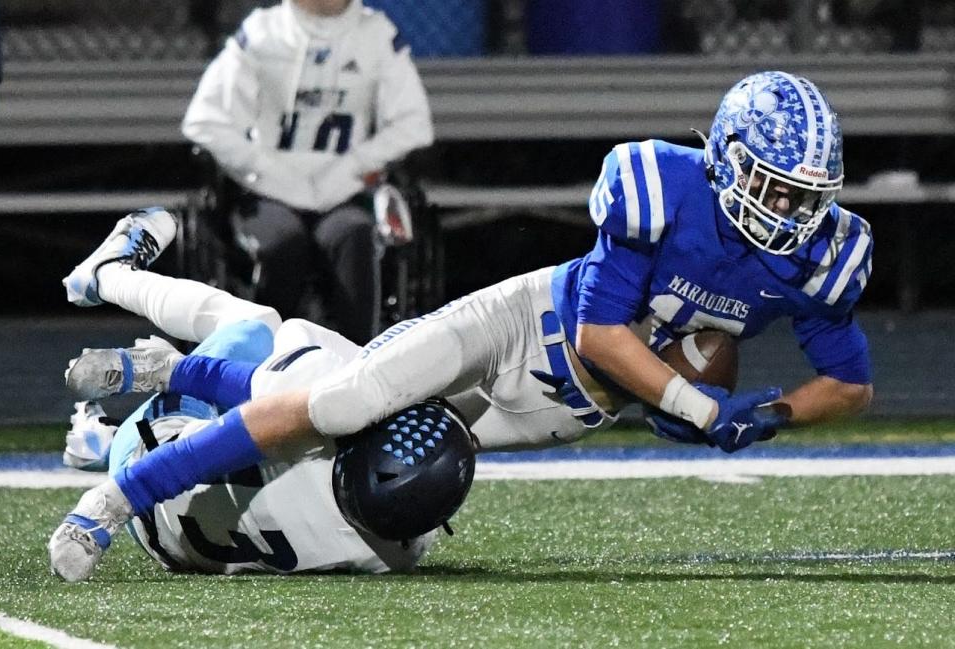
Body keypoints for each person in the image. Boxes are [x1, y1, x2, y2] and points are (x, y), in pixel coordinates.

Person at [50, 71, 874, 582]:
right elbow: (599, 335)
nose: (794, 213)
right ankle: (117, 491)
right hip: (521, 327)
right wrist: (700, 409)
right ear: (727, 161)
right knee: (339, 403)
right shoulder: (661, 182)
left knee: (388, 494)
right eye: (776, 189)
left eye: (809, 196)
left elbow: (851, 380)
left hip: (559, 412)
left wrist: (769, 416)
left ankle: (164, 385)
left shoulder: (822, 257)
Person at [53, 210, 437, 580]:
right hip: (167, 545)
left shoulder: (338, 405)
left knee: (257, 328)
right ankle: (108, 439)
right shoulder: (399, 554)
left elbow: (224, 421)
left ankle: (108, 276)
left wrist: (168, 369)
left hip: (150, 470)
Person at [181, 0, 433, 344]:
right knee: (282, 246)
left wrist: (353, 166)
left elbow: (413, 123)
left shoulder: (376, 35)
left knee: (355, 238)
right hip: (266, 194)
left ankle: (357, 362)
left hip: (343, 194)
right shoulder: (260, 33)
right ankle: (265, 362)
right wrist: (266, 170)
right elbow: (205, 121)